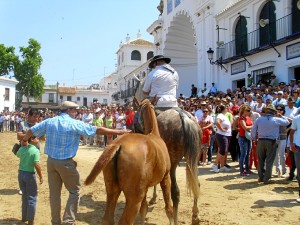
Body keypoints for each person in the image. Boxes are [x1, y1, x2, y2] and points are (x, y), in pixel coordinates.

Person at [20, 101, 131, 225]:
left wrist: (24, 140)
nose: (76, 112)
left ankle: (55, 222)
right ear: (68, 110)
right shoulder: (74, 123)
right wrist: (119, 132)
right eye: (75, 110)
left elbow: (31, 130)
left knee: (54, 194)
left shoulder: (49, 121)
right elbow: (97, 130)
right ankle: (68, 221)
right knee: (75, 191)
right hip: (66, 162)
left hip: (51, 162)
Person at [251, 104, 290, 184]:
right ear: (273, 112)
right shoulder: (276, 119)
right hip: (271, 141)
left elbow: (253, 131)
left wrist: (254, 139)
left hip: (261, 140)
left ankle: (261, 177)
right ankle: (267, 178)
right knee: (269, 160)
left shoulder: (259, 119)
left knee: (261, 160)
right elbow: (287, 122)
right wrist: (281, 116)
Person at [17, 136, 43, 225]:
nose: (38, 139)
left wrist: (22, 144)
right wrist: (40, 176)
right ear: (32, 140)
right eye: (36, 138)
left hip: (21, 174)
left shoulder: (22, 149)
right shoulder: (35, 151)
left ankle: (24, 217)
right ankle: (30, 220)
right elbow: (36, 164)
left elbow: (17, 154)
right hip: (30, 175)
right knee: (32, 197)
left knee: (24, 196)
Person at [211, 104, 232, 173]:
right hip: (222, 135)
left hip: (226, 135)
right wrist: (222, 129)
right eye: (227, 107)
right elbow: (217, 122)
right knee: (223, 150)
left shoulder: (225, 116)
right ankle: (215, 164)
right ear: (224, 109)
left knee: (224, 151)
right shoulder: (220, 115)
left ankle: (222, 166)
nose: (228, 108)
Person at [238, 104, 253, 176]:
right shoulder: (241, 118)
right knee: (244, 154)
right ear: (243, 111)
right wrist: (253, 126)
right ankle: (242, 170)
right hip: (243, 137)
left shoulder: (248, 117)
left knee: (248, 154)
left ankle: (247, 169)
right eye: (248, 110)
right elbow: (245, 127)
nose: (249, 112)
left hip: (248, 137)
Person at [289, 113, 300, 203]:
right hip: (298, 147)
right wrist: (291, 144)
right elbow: (292, 132)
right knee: (299, 171)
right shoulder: (296, 119)